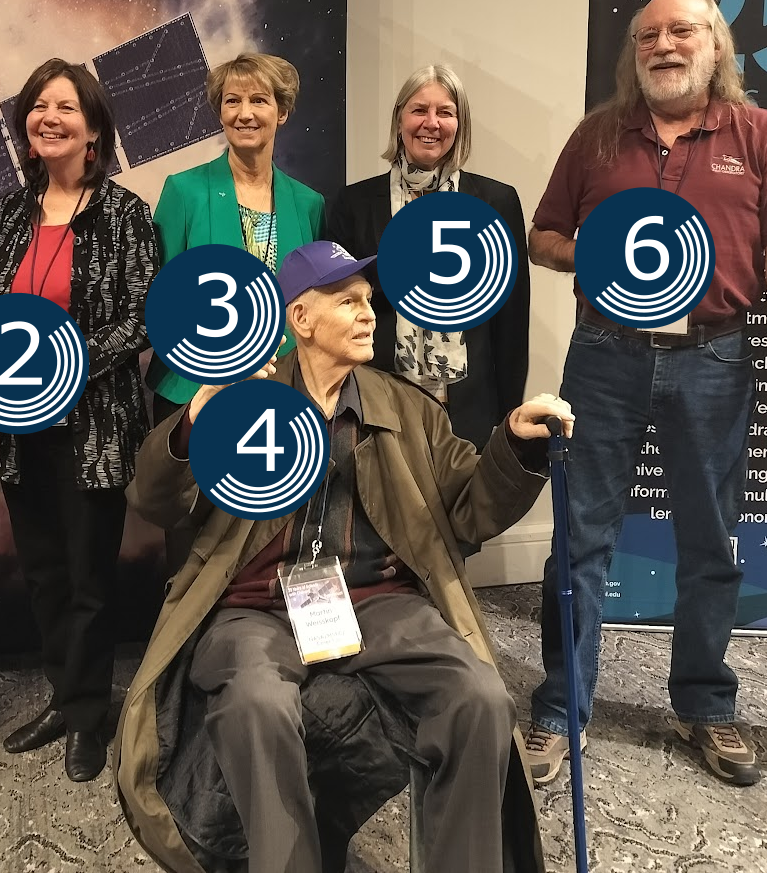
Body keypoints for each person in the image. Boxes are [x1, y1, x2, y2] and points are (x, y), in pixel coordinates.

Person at [113, 239, 573, 873]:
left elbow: (469, 509)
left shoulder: (408, 407)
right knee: (255, 705)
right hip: (256, 607)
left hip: (378, 601)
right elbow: (154, 500)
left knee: (480, 699)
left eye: (369, 301)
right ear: (300, 318)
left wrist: (515, 447)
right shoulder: (241, 398)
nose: (369, 314)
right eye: (348, 301)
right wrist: (195, 419)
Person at [525, 0, 767, 787]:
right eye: (649, 35)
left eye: (682, 31)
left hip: (714, 357)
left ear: (716, 45)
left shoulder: (762, 135)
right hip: (605, 356)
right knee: (579, 539)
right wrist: (596, 248)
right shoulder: (597, 136)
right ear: (635, 53)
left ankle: (704, 701)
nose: (664, 45)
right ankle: (562, 705)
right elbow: (543, 237)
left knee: (711, 540)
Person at [0, 58, 159, 782]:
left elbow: (143, 316)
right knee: (44, 570)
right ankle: (63, 691)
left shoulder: (123, 213)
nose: (50, 118)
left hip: (92, 424)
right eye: (39, 106)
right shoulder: (9, 211)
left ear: (94, 130)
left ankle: (87, 713)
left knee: (87, 575)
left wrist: (66, 359)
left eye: (67, 108)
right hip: (16, 424)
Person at [325, 64, 529, 448]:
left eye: (445, 112)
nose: (431, 123)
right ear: (399, 119)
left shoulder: (496, 202)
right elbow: (338, 306)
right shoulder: (354, 203)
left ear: (460, 124)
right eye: (419, 110)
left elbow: (511, 319)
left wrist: (506, 415)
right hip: (376, 399)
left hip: (468, 407)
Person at [146, 52, 325, 428]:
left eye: (259, 100)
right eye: (232, 101)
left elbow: (314, 306)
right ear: (220, 112)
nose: (245, 114)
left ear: (282, 112)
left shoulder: (309, 204)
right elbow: (157, 298)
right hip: (194, 393)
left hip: (283, 391)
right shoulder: (184, 192)